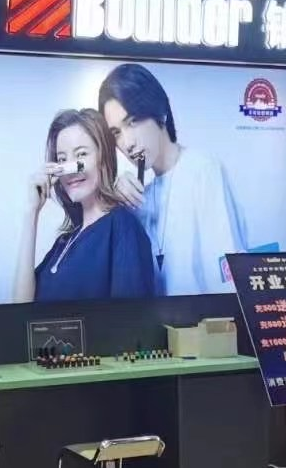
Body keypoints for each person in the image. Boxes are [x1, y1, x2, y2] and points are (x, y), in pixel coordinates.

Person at [97, 63, 246, 295]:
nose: (128, 143)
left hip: (207, 318)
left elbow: (229, 280)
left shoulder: (203, 170)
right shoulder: (139, 196)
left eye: (132, 122)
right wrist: (113, 201)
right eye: (116, 132)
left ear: (160, 113)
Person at [12, 108, 155, 303]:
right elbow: (20, 308)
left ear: (103, 158)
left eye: (81, 154)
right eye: (62, 159)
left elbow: (130, 317)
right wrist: (31, 212)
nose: (70, 169)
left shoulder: (122, 226)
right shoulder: (65, 241)